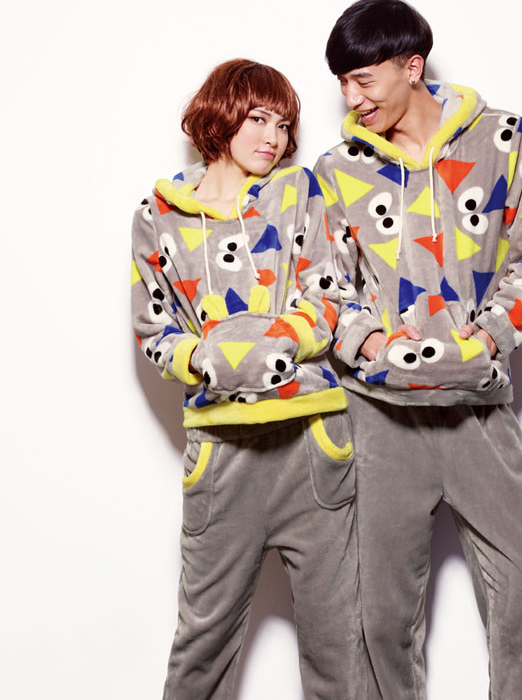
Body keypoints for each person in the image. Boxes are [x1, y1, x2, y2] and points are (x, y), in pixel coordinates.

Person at [313, 0, 522, 699]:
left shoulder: (504, 139)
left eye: (363, 80)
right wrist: (374, 345)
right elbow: (328, 288)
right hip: (379, 418)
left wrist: (484, 340)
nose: (352, 99)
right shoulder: (336, 170)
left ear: (412, 66)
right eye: (342, 84)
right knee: (381, 620)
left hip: (478, 410)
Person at [131, 59, 363, 700]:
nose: (274, 137)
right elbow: (153, 329)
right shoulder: (158, 215)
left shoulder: (300, 192)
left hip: (313, 442)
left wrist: (280, 342)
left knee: (339, 648)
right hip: (221, 454)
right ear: (221, 116)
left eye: (284, 125)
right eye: (259, 119)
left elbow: (331, 296)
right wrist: (207, 359)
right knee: (201, 648)